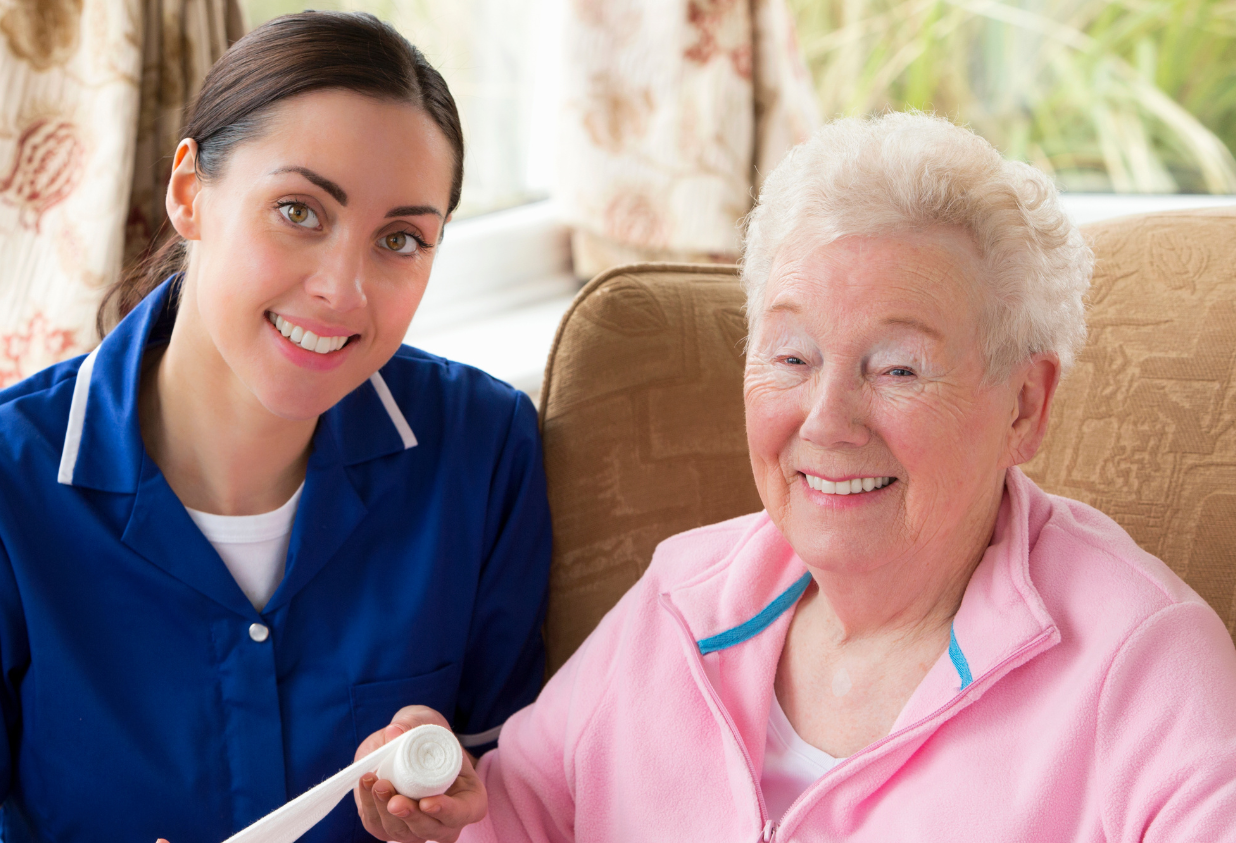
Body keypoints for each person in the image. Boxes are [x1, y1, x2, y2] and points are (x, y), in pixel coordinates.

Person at [352, 112, 1236, 843]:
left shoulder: (1144, 665)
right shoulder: (682, 603)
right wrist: (445, 815)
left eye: (897, 368)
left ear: (1024, 407)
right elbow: (520, 816)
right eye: (791, 355)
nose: (826, 421)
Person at [0, 12, 551, 843]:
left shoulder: (483, 450)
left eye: (400, 239)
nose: (343, 288)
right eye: (298, 210)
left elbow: (536, 798)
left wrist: (461, 816)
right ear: (188, 192)